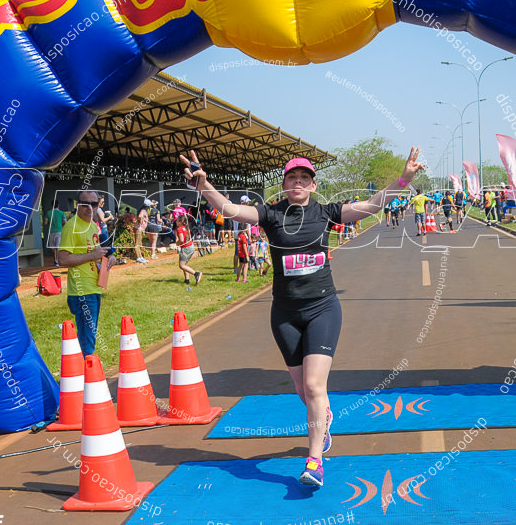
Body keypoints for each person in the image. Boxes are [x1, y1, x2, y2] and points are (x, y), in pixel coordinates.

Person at [180, 147, 424, 488]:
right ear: (284, 185)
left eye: (304, 178)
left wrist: (404, 179)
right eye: (292, 178)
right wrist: (204, 184)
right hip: (284, 313)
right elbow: (228, 209)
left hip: (323, 308)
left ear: (313, 184)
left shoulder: (327, 212)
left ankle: (314, 461)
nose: (298, 182)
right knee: (302, 388)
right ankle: (323, 416)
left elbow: (373, 205)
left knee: (313, 384)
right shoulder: (270, 214)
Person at [58, 190, 108, 354]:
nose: (90, 208)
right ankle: (88, 373)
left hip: (94, 287)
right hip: (81, 291)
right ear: (77, 205)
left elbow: (94, 253)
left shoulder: (93, 225)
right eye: (85, 204)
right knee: (88, 338)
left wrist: (107, 261)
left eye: (94, 204)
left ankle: (85, 371)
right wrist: (92, 256)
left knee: (89, 334)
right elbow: (63, 259)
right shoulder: (71, 227)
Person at [174, 215, 202, 285]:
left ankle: (196, 274)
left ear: (180, 222)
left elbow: (181, 240)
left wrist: (176, 242)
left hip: (186, 248)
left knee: (182, 265)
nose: (176, 222)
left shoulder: (179, 229)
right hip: (191, 246)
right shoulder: (186, 228)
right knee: (185, 264)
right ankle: (187, 280)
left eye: (177, 220)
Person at [47, 200, 66, 266]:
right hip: (59, 231)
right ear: (58, 205)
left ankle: (55, 259)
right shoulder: (61, 213)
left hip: (51, 231)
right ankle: (57, 260)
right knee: (58, 246)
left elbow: (46, 223)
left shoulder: (48, 213)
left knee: (53, 247)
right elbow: (65, 222)